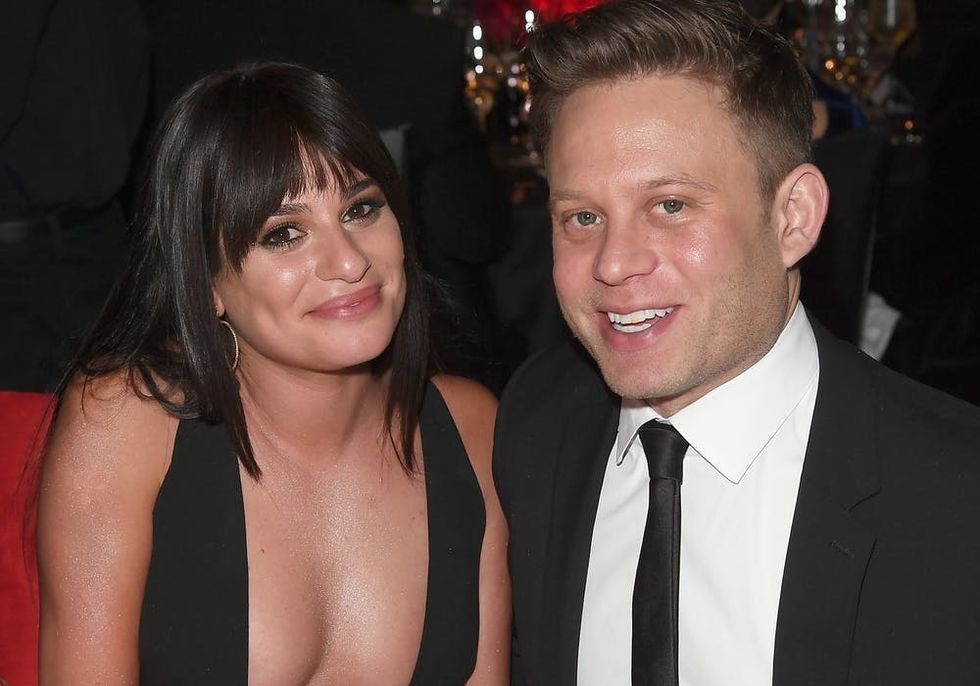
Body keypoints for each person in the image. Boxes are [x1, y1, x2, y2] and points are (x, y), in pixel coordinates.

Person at [492, 1, 980, 685]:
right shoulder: (535, 424)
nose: (613, 263)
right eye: (582, 217)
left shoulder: (955, 497)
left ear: (793, 218)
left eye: (670, 205)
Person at [36, 61, 509, 684]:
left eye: (361, 209)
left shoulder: (473, 429)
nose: (348, 262)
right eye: (284, 234)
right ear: (206, 281)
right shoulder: (127, 424)